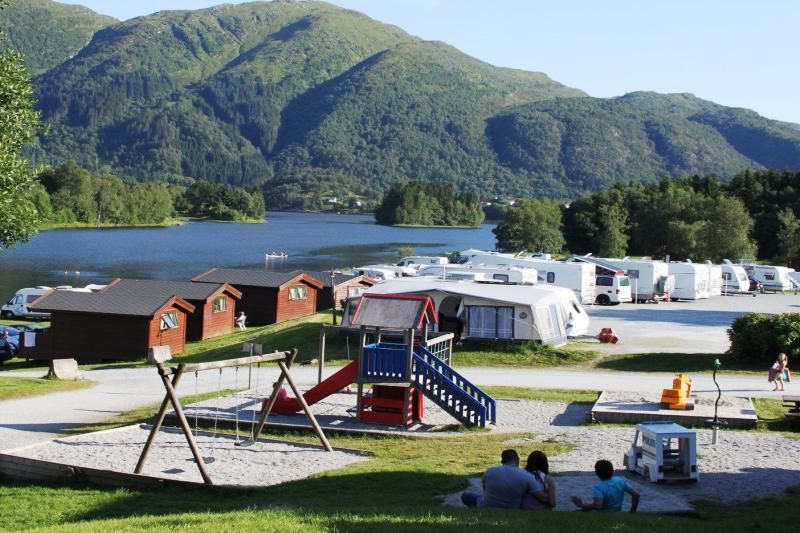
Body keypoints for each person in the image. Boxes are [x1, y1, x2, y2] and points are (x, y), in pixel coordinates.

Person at [461, 449, 538, 509]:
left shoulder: (490, 471)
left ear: (502, 461)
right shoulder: (526, 476)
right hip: (512, 507)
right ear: (518, 460)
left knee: (465, 496)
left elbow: (485, 490)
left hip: (487, 506)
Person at [571, 459, 640, 512]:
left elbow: (598, 506)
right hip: (617, 513)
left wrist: (582, 505)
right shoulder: (620, 481)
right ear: (612, 471)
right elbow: (636, 495)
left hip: (603, 515)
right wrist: (632, 511)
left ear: (596, 473)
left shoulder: (598, 487)